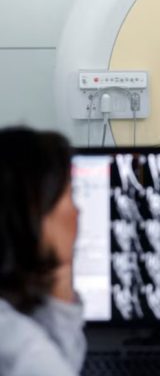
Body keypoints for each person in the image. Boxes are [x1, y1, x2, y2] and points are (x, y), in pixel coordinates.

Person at [0, 127, 86, 376]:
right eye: (70, 195)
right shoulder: (22, 352)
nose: (77, 212)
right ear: (37, 213)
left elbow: (59, 361)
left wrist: (60, 269)